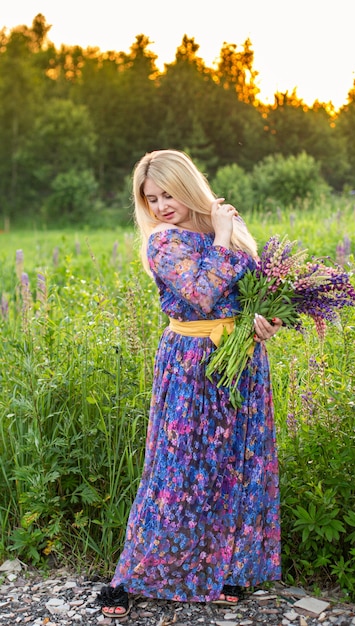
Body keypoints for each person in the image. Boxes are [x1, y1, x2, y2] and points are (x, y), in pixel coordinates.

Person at [98, 149, 282, 618]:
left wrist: (262, 320)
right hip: (191, 363)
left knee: (238, 463)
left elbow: (250, 294)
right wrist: (221, 235)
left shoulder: (231, 231)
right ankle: (134, 576)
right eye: (151, 198)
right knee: (177, 472)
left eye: (167, 193)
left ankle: (230, 571)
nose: (160, 205)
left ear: (187, 185)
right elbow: (200, 293)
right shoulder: (163, 243)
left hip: (240, 360)